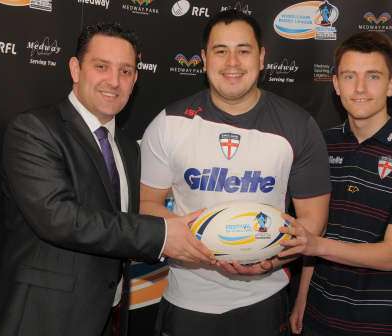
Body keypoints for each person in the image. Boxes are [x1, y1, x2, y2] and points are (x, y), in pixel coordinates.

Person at [0, 22, 213, 336]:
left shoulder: (127, 148)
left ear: (135, 78)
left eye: (125, 71)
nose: (114, 81)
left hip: (108, 316)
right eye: (101, 67)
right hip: (43, 317)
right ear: (75, 69)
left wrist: (218, 243)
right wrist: (163, 234)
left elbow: (124, 225)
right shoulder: (34, 130)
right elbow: (60, 219)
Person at [139, 9, 331, 336]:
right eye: (220, 51)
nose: (232, 62)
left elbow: (314, 220)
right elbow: (146, 206)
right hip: (188, 301)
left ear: (261, 57)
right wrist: (198, 247)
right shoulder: (169, 123)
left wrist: (273, 257)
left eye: (243, 50)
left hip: (263, 300)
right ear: (203, 58)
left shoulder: (299, 126)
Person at [281, 31, 392, 336]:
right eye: (349, 76)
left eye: (373, 77)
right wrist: (302, 297)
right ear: (336, 84)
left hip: (379, 323)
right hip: (317, 316)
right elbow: (316, 230)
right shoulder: (321, 144)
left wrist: (316, 244)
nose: (360, 88)